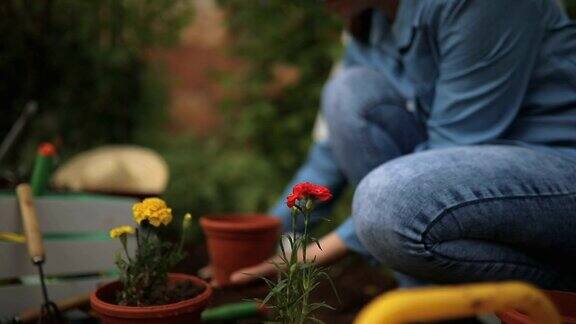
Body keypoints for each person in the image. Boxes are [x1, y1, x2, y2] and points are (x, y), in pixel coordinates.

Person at [223, 0, 576, 293]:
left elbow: (454, 147)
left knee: (390, 203)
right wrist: (261, 236)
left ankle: (553, 293)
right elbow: (328, 155)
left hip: (559, 179)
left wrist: (312, 255)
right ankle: (433, 305)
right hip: (481, 183)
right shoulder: (371, 19)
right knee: (347, 94)